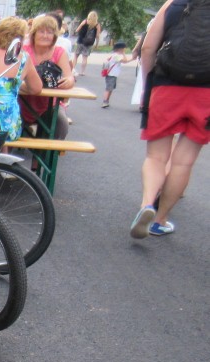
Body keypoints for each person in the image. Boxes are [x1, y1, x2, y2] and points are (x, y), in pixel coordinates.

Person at [130, 0, 210, 239]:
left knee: (156, 157)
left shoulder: (173, 4)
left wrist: (148, 83)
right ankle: (159, 219)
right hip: (206, 93)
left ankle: (146, 205)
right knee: (183, 163)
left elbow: (147, 48)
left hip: (167, 87)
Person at [0, 16, 43, 143]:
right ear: (20, 39)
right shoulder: (23, 58)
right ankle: (4, 159)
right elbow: (36, 88)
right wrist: (17, 84)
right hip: (9, 123)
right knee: (6, 124)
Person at [20, 14, 75, 141]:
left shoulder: (59, 52)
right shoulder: (23, 50)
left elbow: (70, 78)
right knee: (4, 122)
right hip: (22, 102)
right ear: (33, 33)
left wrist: (68, 82)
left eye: (49, 32)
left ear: (55, 36)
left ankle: (43, 160)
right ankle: (5, 160)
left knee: (61, 125)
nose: (45, 35)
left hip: (49, 105)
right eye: (41, 31)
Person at [101, 41, 133, 108]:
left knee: (111, 88)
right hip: (111, 74)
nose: (124, 50)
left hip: (113, 74)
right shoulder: (116, 56)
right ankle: (104, 101)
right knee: (109, 88)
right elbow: (125, 61)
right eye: (123, 49)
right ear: (120, 49)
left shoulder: (114, 55)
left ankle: (107, 101)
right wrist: (125, 55)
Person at [73, 11, 101, 76]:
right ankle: (82, 72)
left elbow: (77, 30)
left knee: (75, 56)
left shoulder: (85, 21)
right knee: (84, 58)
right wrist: (96, 44)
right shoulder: (97, 25)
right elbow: (97, 36)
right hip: (88, 43)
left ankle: (72, 69)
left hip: (80, 41)